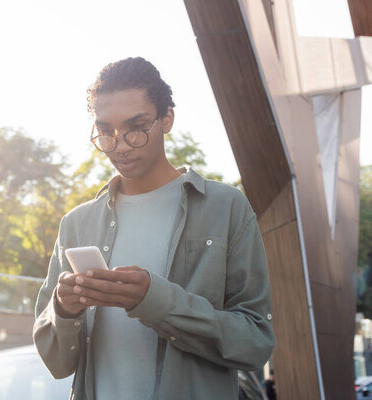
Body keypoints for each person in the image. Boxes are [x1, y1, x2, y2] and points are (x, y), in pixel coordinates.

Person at [33, 57, 275, 400]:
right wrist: (64, 308)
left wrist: (154, 300)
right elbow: (57, 364)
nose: (120, 144)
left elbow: (255, 343)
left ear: (167, 119)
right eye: (105, 131)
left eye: (136, 127)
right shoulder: (76, 224)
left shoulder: (226, 208)